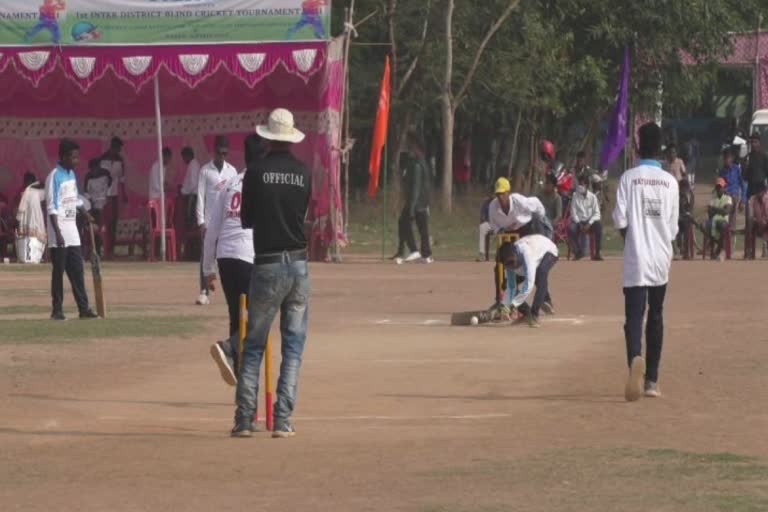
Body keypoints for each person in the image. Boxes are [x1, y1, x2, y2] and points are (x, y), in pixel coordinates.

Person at [235, 108, 312, 438]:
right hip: (298, 264)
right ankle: (282, 419)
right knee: (292, 345)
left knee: (254, 345)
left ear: (268, 135)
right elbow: (303, 212)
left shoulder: (255, 171)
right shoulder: (303, 172)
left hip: (266, 264)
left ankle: (244, 421)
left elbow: (246, 220)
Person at [612, 122, 679, 402]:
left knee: (633, 318)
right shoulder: (671, 182)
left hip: (636, 258)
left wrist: (631, 239)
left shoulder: (628, 178)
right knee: (657, 316)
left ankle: (634, 360)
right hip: (661, 259)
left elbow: (619, 219)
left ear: (637, 146)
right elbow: (673, 228)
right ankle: (651, 380)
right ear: (661, 148)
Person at [204, 136, 260, 387]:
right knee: (258, 316)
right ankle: (231, 349)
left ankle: (237, 369)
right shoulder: (260, 184)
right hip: (247, 255)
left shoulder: (229, 183)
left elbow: (212, 230)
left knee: (237, 316)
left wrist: (208, 269)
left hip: (225, 257)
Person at [45, 139, 99, 321]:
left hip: (72, 232)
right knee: (58, 272)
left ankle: (83, 309)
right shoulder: (54, 176)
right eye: (73, 157)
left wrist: (86, 214)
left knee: (77, 272)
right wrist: (58, 234)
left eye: (77, 157)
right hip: (58, 232)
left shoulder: (71, 175)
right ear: (63, 156)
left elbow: (75, 199)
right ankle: (57, 310)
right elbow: (51, 207)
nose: (77, 161)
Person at [196, 136, 237, 305]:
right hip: (210, 221)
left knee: (228, 255)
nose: (222, 156)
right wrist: (201, 221)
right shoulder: (205, 171)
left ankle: (232, 291)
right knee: (206, 256)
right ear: (214, 151)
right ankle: (204, 291)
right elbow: (200, 196)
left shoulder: (232, 172)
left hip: (226, 221)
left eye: (225, 153)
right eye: (220, 153)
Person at [498, 234, 558, 328]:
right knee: (506, 284)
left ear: (516, 254)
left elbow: (529, 284)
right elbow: (511, 287)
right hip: (528, 263)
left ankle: (534, 315)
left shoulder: (526, 254)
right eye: (508, 265)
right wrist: (506, 304)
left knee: (540, 275)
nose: (512, 267)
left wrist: (512, 305)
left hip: (549, 251)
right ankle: (526, 314)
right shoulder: (509, 264)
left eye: (512, 262)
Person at [395, 133, 433, 265]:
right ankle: (426, 254)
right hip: (420, 201)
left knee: (404, 222)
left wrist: (411, 207)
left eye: (410, 145)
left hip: (416, 202)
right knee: (422, 228)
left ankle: (414, 250)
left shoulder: (417, 164)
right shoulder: (420, 162)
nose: (409, 148)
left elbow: (416, 187)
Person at [99, 137, 127, 259]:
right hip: (102, 196)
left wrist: (124, 194)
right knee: (103, 223)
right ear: (112, 146)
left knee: (113, 223)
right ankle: (102, 248)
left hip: (114, 195)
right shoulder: (102, 159)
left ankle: (111, 250)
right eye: (117, 148)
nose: (119, 150)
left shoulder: (120, 161)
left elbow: (122, 179)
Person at [568, 175, 603, 261]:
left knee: (599, 226)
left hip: (589, 222)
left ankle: (597, 253)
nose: (580, 186)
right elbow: (573, 212)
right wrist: (579, 223)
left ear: (587, 185)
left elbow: (597, 214)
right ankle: (578, 252)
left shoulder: (592, 197)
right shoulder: (575, 196)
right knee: (570, 229)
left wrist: (589, 223)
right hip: (578, 222)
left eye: (582, 184)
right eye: (579, 184)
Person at [743, 134, 768, 255]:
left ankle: (765, 247)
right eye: (752, 142)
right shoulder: (747, 158)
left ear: (759, 143)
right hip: (751, 194)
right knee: (749, 221)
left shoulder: (764, 157)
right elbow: (745, 177)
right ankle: (748, 249)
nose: (753, 144)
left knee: (765, 220)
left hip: (763, 193)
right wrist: (745, 165)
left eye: (755, 142)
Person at [15, 172, 47, 264]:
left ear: (29, 181)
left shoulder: (28, 191)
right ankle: (35, 257)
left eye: (26, 180)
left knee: (28, 241)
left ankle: (30, 257)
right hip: (36, 219)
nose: (24, 182)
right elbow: (45, 189)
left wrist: (17, 220)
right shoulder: (36, 192)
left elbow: (21, 209)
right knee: (35, 240)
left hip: (28, 220)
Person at [83, 159, 112, 256]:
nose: (95, 170)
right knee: (93, 212)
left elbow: (110, 190)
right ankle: (95, 232)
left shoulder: (106, 174)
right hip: (93, 205)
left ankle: (99, 230)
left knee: (100, 213)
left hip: (104, 203)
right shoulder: (88, 177)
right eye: (93, 169)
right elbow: (86, 194)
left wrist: (106, 200)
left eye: (97, 168)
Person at [717, 148, 746, 245]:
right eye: (725, 158)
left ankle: (730, 245)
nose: (726, 160)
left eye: (728, 158)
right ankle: (723, 243)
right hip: (725, 197)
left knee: (732, 220)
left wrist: (743, 200)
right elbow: (719, 187)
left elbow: (743, 184)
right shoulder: (722, 172)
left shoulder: (737, 169)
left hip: (734, 196)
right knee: (723, 220)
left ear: (732, 158)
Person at [705, 178, 733, 259]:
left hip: (724, 221)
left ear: (724, 188)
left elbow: (726, 212)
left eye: (720, 187)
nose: (719, 189)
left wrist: (715, 209)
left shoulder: (728, 198)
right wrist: (721, 209)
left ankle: (719, 250)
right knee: (708, 225)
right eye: (717, 187)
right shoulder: (713, 198)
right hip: (713, 220)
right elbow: (710, 213)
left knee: (722, 226)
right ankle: (714, 250)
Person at [180, 147, 202, 230]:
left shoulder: (193, 165)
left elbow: (193, 184)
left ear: (187, 156)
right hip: (191, 195)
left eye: (183, 157)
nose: (183, 160)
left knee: (190, 219)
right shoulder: (193, 164)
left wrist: (183, 191)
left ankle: (191, 240)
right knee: (190, 219)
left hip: (192, 196)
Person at [675, 179, 695, 260]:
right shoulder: (677, 194)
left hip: (686, 217)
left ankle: (686, 252)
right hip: (678, 217)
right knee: (678, 231)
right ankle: (680, 249)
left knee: (686, 231)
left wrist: (687, 213)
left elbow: (691, 207)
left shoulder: (690, 195)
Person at [748, 185, 768, 258]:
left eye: (761, 191)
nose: (759, 193)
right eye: (758, 191)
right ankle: (750, 250)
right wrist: (756, 220)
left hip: (767, 221)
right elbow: (751, 215)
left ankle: (765, 247)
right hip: (757, 221)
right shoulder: (752, 199)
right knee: (750, 225)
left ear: (765, 192)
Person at [477, 192, 494, 262]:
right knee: (482, 227)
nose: (492, 195)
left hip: (500, 224)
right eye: (491, 194)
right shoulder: (486, 203)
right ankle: (482, 254)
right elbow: (482, 216)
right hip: (490, 224)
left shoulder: (500, 202)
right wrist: (484, 220)